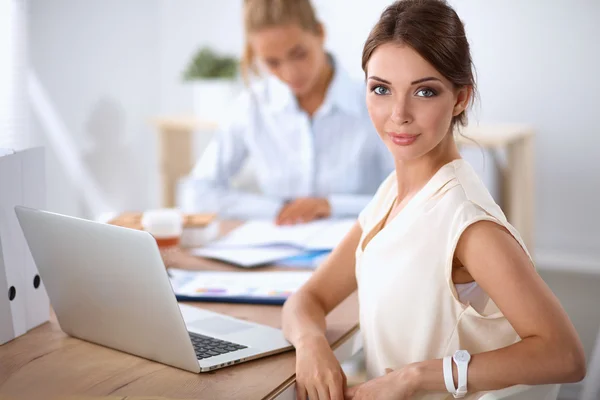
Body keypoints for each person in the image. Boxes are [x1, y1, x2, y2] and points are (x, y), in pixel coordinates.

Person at [281, 0, 586, 399]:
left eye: (425, 91)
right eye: (381, 89)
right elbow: (308, 298)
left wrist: (414, 377)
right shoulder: (393, 192)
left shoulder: (468, 223)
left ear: (460, 99)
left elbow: (564, 354)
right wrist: (310, 344)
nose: (399, 114)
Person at [178, 0, 392, 224]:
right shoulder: (252, 107)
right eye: (272, 63)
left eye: (299, 54)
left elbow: (411, 194)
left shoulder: (374, 102)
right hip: (277, 250)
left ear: (320, 33)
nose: (290, 73)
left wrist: (331, 206)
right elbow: (196, 192)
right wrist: (278, 209)